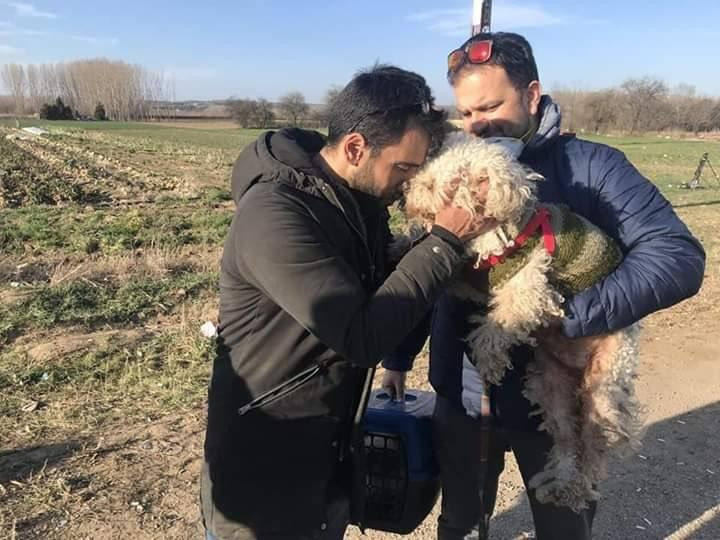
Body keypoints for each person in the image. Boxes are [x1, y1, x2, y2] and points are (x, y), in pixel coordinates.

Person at [381, 32, 706, 540]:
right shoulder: (455, 170)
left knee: (562, 522)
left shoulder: (593, 167)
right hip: (465, 388)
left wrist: (569, 316)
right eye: (467, 113)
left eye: (491, 105)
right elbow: (435, 257)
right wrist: (399, 358)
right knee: (461, 523)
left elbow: (677, 257)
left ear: (532, 95)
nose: (479, 124)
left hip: (558, 386)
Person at [201, 64, 489, 540]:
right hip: (264, 470)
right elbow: (360, 336)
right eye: (404, 168)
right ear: (356, 148)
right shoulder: (275, 215)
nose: (409, 183)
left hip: (325, 455)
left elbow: (391, 291)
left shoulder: (357, 203)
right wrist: (443, 243)